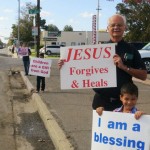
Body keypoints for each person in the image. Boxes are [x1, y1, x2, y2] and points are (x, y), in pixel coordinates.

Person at [58, 14, 147, 112]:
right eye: (113, 25)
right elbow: (81, 69)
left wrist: (124, 67)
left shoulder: (131, 49)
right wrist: (65, 65)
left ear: (125, 27)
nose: (116, 27)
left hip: (123, 104)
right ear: (107, 28)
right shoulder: (97, 50)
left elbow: (143, 75)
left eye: (119, 25)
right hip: (101, 103)